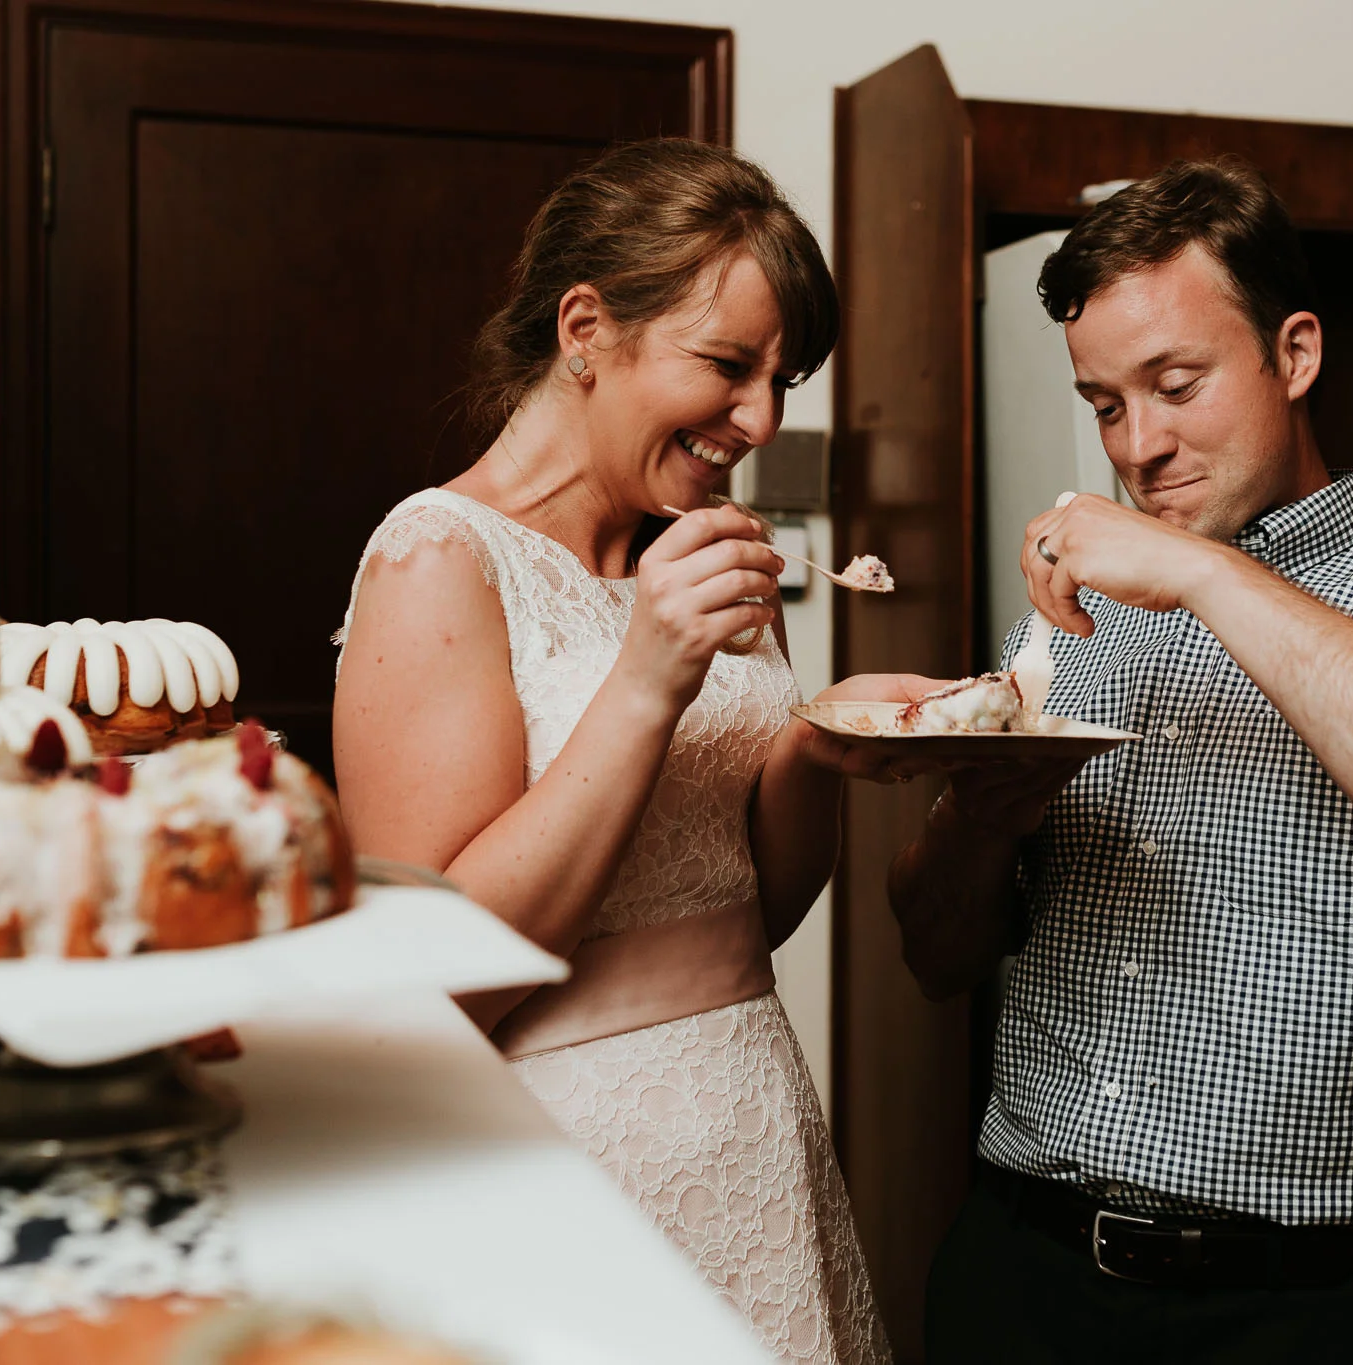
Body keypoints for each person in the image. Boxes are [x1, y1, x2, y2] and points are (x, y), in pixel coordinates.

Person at [901, 159, 1353, 1364]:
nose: (1139, 445)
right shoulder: (1068, 623)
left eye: (1175, 385)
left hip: (1303, 1310)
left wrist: (1201, 573)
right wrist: (976, 821)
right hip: (1020, 1271)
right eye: (1105, 404)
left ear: (1293, 355)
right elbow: (933, 954)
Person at [333, 139, 903, 1364]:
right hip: (562, 1165)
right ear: (585, 328)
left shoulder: (705, 546)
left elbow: (761, 903)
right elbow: (438, 980)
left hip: (757, 1134)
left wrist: (822, 749)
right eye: (727, 365)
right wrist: (646, 677)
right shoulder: (439, 558)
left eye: (783, 376)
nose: (759, 418)